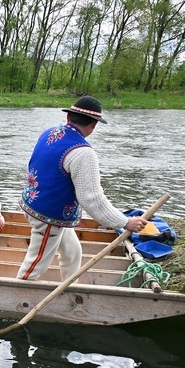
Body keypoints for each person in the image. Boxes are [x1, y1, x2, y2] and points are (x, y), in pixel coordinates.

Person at [17, 95, 149, 281]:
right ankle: (19, 295)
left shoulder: (50, 132)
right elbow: (92, 200)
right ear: (93, 126)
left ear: (69, 117)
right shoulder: (83, 153)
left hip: (33, 203)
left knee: (72, 252)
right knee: (35, 266)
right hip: (48, 216)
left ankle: (71, 290)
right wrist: (124, 222)